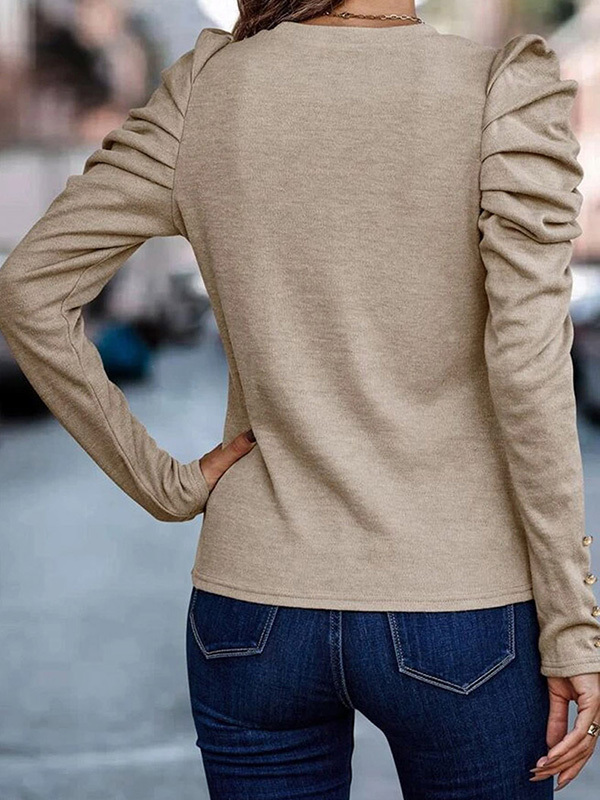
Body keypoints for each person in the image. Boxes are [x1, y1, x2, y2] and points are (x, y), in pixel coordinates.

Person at [0, 0, 599, 797]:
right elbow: (529, 367)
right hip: (462, 612)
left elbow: (30, 289)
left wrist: (164, 483)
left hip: (251, 613)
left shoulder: (207, 89)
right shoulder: (500, 92)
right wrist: (571, 624)